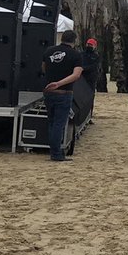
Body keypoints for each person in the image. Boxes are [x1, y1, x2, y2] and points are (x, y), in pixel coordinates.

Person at [42, 30, 83, 163]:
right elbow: (76, 75)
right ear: (74, 41)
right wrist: (59, 83)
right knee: (59, 124)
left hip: (49, 91)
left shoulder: (49, 51)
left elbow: (43, 67)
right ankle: (56, 153)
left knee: (52, 122)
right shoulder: (75, 55)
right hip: (64, 93)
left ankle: (52, 150)